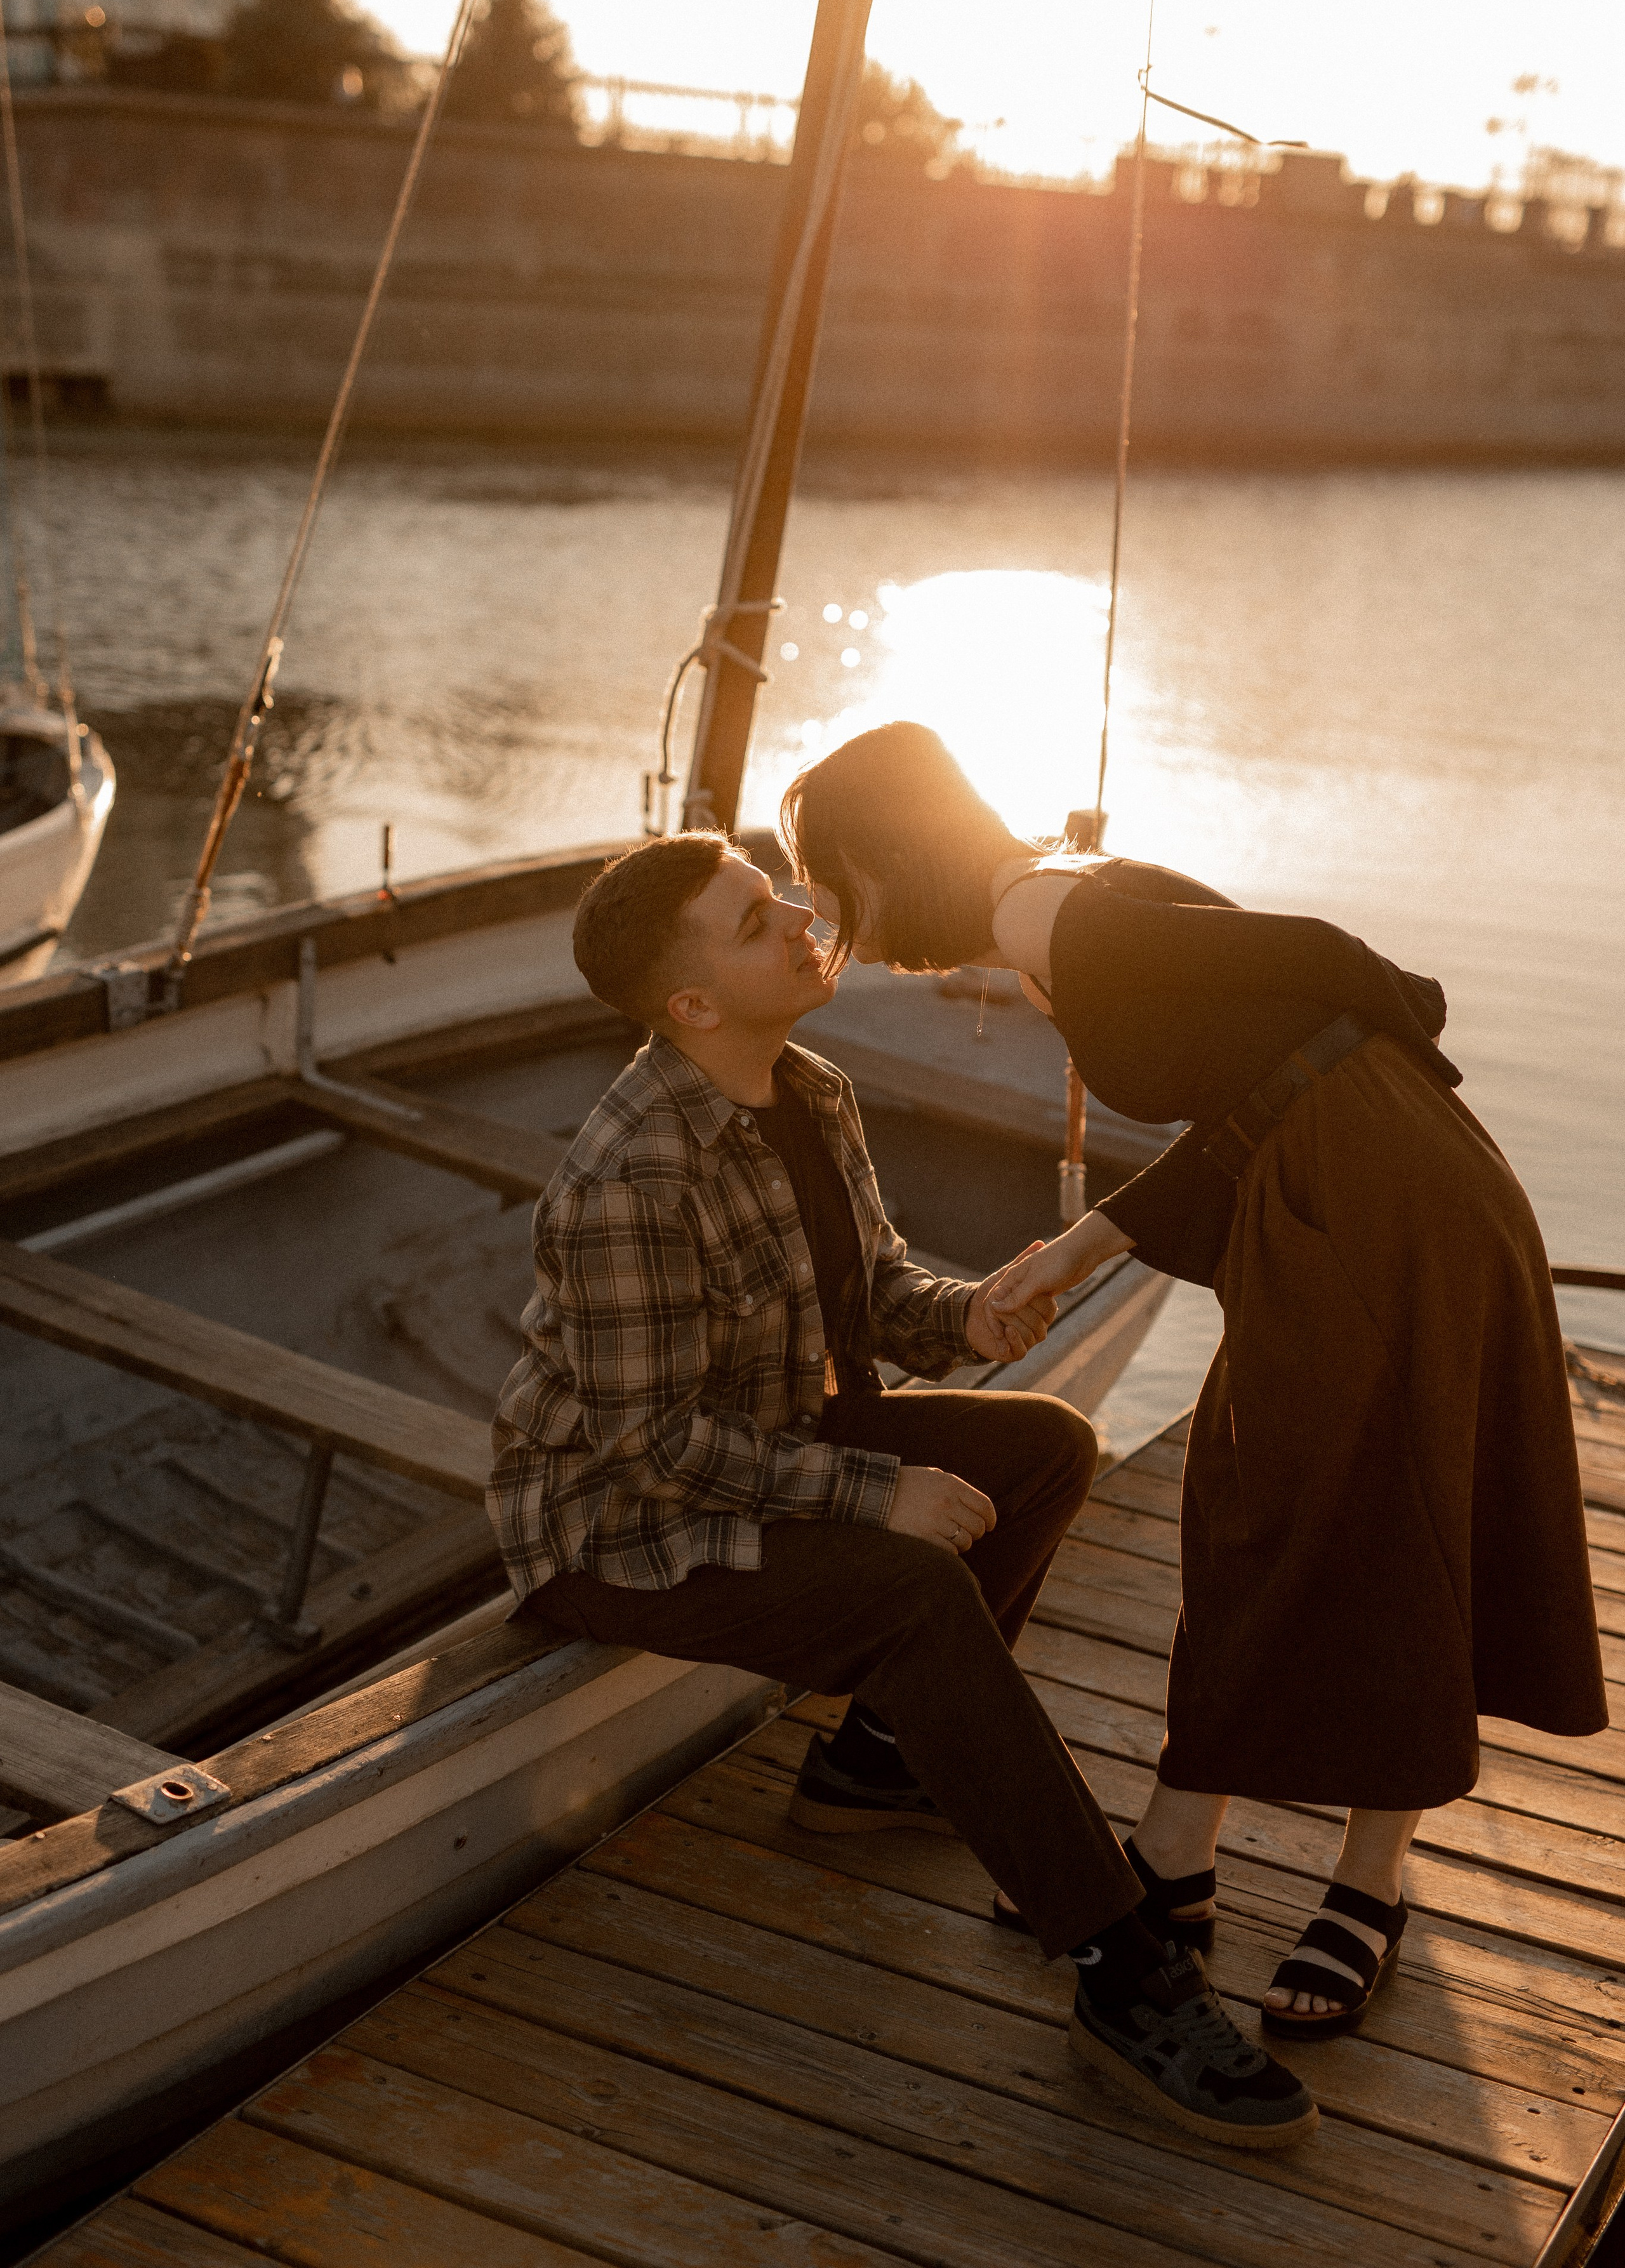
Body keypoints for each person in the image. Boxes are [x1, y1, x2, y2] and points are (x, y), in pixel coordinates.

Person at [489, 828, 1318, 2146]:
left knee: (1046, 1445)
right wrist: (871, 1495)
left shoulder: (806, 1087)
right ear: (690, 1005)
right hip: (623, 1526)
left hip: (771, 1431)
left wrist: (968, 1312)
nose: (800, 916)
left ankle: (878, 1761)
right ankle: (1119, 1969)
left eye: (780, 896)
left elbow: (867, 1292)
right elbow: (647, 1444)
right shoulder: (627, 1170)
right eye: (755, 920)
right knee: (914, 1589)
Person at [781, 720, 1607, 2043]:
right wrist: (1078, 1247)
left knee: (1347, 1520)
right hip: (1348, 1186)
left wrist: (1410, 1031)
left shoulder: (1057, 921)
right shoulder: (1057, 909)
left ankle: (1366, 1883)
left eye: (831, 881)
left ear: (885, 850)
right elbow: (1260, 1094)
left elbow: (1330, 970)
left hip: (1379, 1201)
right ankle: (1176, 1855)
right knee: (1271, 1516)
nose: (834, 918)